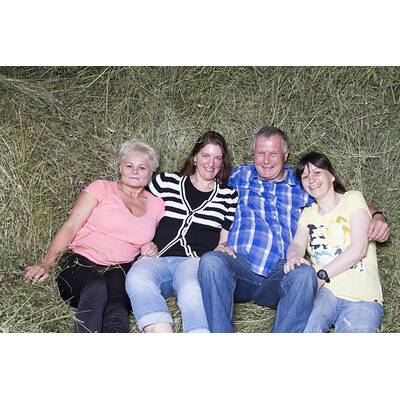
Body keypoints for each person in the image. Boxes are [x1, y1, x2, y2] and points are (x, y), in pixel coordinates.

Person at [199, 126, 390, 333]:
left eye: (273, 153)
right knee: (211, 261)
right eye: (260, 153)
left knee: (305, 274)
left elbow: (343, 197)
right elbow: (202, 182)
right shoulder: (238, 176)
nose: (266, 160)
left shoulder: (303, 182)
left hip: (281, 271)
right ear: (253, 154)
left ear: (286, 155)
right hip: (240, 266)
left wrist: (377, 215)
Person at [24, 139, 165, 333]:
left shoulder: (157, 205)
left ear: (151, 172)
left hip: (120, 268)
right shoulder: (101, 188)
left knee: (117, 306)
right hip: (80, 261)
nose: (135, 171)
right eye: (129, 166)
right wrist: (47, 263)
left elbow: (164, 237)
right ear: (120, 167)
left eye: (142, 168)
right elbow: (71, 225)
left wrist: (152, 245)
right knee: (96, 287)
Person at [125, 131, 238, 333]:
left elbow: (224, 237)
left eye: (217, 158)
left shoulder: (228, 195)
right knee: (136, 278)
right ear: (194, 157)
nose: (211, 163)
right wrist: (144, 241)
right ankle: (160, 331)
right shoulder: (166, 182)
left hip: (193, 262)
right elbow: (138, 209)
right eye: (205, 155)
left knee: (192, 291)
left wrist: (222, 247)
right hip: (157, 257)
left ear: (222, 162)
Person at [285, 151, 384, 332]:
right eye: (305, 176)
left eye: (317, 172)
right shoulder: (308, 213)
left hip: (362, 297)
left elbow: (359, 249)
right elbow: (298, 244)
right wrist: (293, 256)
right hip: (326, 293)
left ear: (331, 176)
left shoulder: (352, 198)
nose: (311, 180)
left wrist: (320, 276)